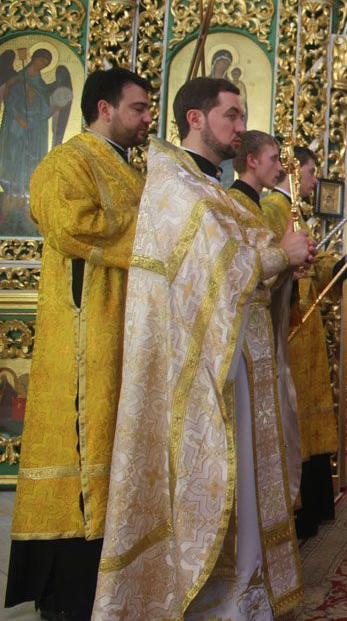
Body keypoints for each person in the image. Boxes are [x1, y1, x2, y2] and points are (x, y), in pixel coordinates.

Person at [93, 77, 314, 619]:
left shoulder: (209, 187)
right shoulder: (175, 186)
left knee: (246, 484)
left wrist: (283, 260)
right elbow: (215, 267)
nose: (241, 128)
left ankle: (245, 594)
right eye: (231, 116)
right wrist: (278, 256)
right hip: (201, 366)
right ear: (195, 118)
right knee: (217, 480)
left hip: (237, 357)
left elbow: (242, 259)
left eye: (242, 117)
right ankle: (216, 601)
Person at [5, 67, 152, 621]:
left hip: (129, 331)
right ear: (104, 109)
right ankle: (70, 590)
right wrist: (154, 230)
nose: (147, 119)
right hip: (86, 334)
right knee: (83, 445)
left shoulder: (129, 169)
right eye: (138, 108)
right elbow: (68, 223)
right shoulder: (66, 162)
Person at [262, 145, 347, 538]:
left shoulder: (295, 213)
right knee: (292, 414)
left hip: (305, 332)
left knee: (307, 411)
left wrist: (341, 264)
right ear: (293, 171)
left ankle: (314, 506)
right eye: (310, 172)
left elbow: (313, 263)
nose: (314, 180)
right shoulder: (271, 209)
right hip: (288, 327)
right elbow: (271, 266)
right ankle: (297, 509)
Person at [0, 48, 55, 196]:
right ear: (34, 58)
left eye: (46, 63)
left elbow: (43, 107)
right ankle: (11, 189)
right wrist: (19, 119)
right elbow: (8, 99)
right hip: (15, 127)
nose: (43, 64)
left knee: (28, 157)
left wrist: (49, 105)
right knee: (13, 155)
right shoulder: (18, 78)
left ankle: (25, 190)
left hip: (33, 130)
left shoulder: (41, 85)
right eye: (42, 60)